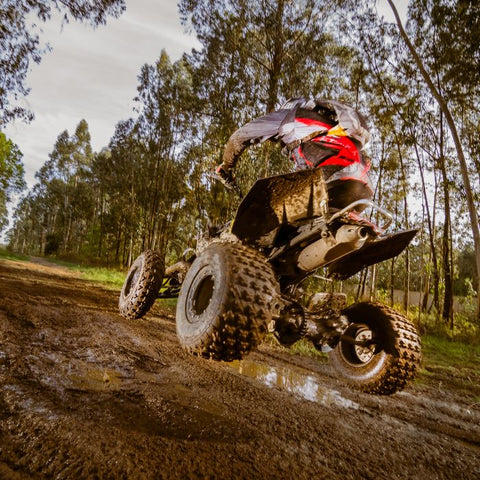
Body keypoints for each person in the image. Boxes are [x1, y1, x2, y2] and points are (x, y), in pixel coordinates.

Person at [215, 97, 373, 211]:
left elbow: (241, 136)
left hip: (328, 182)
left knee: (264, 206)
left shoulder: (289, 117)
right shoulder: (334, 128)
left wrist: (226, 165)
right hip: (363, 189)